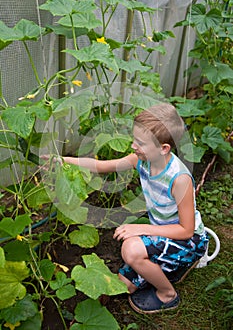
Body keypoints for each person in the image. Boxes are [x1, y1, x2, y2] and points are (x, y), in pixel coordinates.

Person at [41, 102, 209, 314]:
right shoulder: (141, 160)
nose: (133, 146)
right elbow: (102, 166)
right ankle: (172, 268)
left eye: (140, 142)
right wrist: (62, 160)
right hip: (165, 234)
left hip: (189, 240)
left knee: (131, 250)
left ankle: (168, 294)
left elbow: (186, 230)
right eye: (134, 139)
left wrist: (141, 228)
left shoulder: (179, 179)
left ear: (163, 148)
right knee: (124, 285)